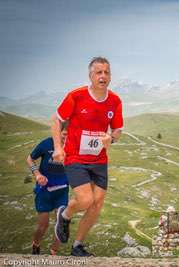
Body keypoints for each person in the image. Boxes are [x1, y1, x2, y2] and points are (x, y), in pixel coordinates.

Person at [51, 57, 123, 257]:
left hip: (99, 159)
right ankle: (64, 215)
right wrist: (58, 147)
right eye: (98, 72)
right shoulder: (76, 96)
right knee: (85, 199)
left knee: (97, 203)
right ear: (90, 75)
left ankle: (77, 246)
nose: (103, 76)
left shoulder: (115, 101)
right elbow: (56, 120)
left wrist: (111, 138)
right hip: (75, 157)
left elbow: (117, 130)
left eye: (106, 72)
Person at [27, 123, 69, 255]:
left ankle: (53, 253)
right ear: (58, 132)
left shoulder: (73, 146)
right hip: (44, 191)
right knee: (43, 225)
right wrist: (37, 174)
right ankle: (36, 245)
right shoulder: (46, 144)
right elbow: (30, 159)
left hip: (62, 191)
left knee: (60, 224)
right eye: (64, 135)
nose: (66, 139)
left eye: (70, 135)